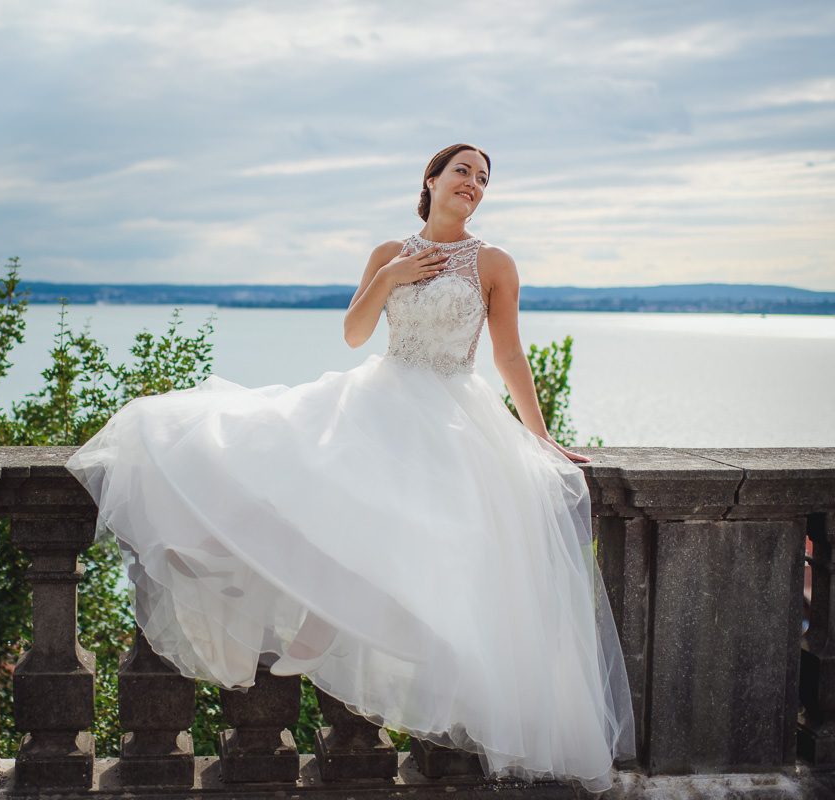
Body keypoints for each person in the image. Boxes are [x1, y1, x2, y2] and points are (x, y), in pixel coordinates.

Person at [66, 143, 635, 792]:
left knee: (413, 523)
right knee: (293, 468)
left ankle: (324, 622)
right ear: (431, 179)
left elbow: (507, 354)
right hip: (383, 390)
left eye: (483, 178)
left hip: (449, 406)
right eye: (462, 171)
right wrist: (392, 276)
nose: (472, 184)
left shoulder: (495, 262)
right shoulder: (387, 252)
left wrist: (541, 437)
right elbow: (354, 333)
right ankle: (241, 567)